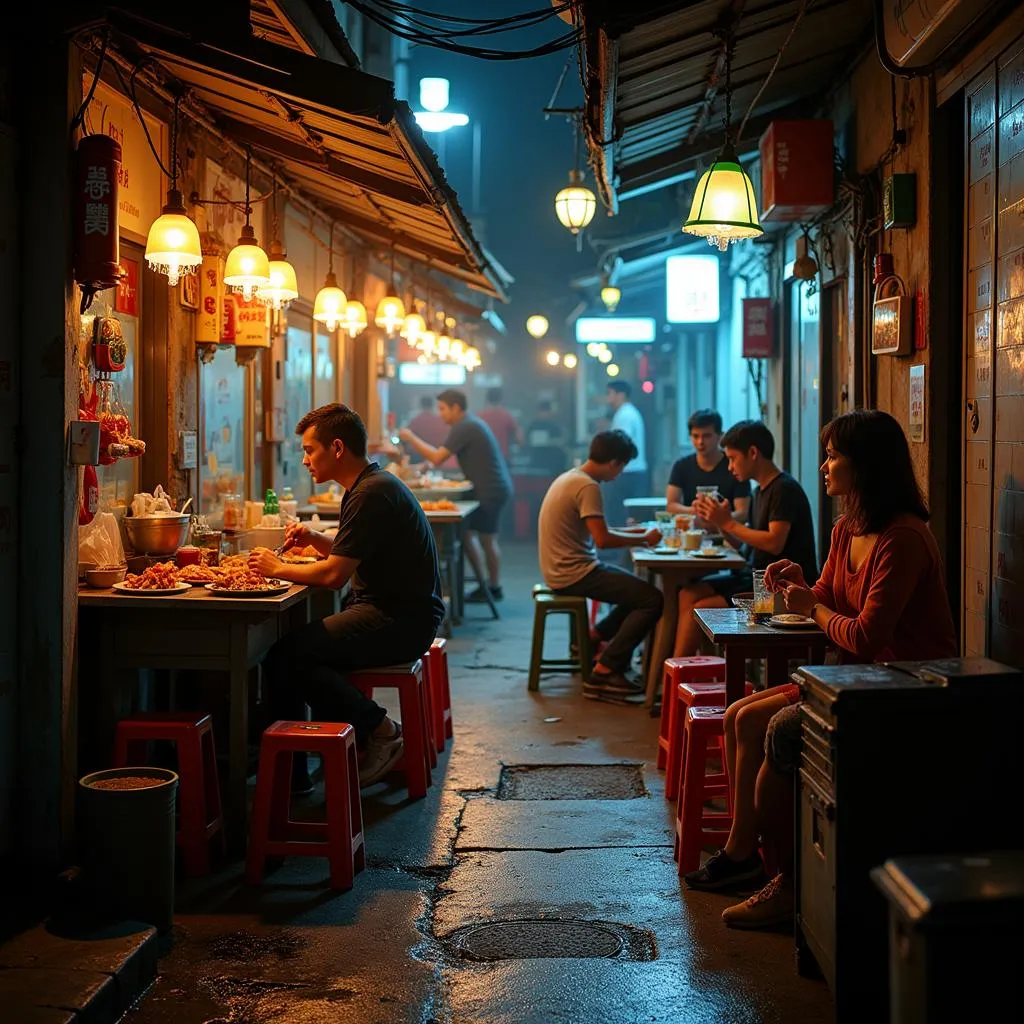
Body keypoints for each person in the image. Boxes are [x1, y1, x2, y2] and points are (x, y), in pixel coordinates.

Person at [686, 410, 957, 931]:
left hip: (903, 687)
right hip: (852, 681)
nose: (825, 465)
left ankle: (788, 881)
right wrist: (795, 581)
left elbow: (865, 636)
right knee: (741, 715)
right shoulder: (846, 528)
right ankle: (744, 856)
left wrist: (810, 606)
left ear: (866, 465)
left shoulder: (901, 537)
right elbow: (829, 596)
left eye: (834, 456)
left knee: (775, 729)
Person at [248, 404, 446, 791]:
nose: (305, 460)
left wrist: (275, 568)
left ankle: (380, 732)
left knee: (286, 656)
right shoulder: (369, 485)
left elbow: (335, 575)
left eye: (310, 450)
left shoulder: (370, 493)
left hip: (400, 621)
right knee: (298, 652)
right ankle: (312, 762)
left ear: (337, 448)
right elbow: (352, 552)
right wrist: (316, 539)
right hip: (397, 612)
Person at [538, 429, 664, 703]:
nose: (618, 475)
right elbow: (603, 539)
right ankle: (607, 669)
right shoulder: (588, 487)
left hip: (561, 568)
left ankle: (593, 638)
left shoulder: (571, 477)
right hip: (573, 572)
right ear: (614, 463)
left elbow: (600, 530)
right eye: (622, 467)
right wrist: (644, 537)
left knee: (637, 593)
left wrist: (638, 533)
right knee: (651, 599)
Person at [673, 420, 817, 657]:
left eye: (732, 458)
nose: (729, 467)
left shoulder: (783, 489)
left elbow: (774, 542)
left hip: (779, 589)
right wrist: (719, 521)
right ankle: (683, 672)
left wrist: (727, 522)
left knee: (698, 609)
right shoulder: (758, 491)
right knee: (687, 593)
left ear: (752, 453)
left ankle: (690, 674)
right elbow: (744, 545)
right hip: (757, 578)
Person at [399, 389, 513, 603]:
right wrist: (427, 464)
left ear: (456, 408)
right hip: (493, 487)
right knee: (472, 536)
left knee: (485, 539)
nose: (440, 414)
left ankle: (491, 588)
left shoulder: (465, 426)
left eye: (442, 409)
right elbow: (439, 457)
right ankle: (486, 586)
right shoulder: (469, 424)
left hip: (491, 489)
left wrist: (410, 437)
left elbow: (438, 456)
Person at [666, 409, 750, 522]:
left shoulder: (735, 466)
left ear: (720, 436)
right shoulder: (681, 466)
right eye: (695, 436)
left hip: (728, 535)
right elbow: (671, 505)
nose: (700, 442)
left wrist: (719, 519)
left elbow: (743, 513)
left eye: (707, 436)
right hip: (692, 533)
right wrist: (697, 511)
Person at [604, 381, 648, 521]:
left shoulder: (625, 415)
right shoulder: (627, 413)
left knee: (620, 516)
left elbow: (621, 443)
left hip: (626, 472)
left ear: (620, 394)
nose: (608, 398)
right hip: (631, 471)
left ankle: (620, 542)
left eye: (609, 393)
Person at [406, 395, 457, 470]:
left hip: (421, 460)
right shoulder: (442, 421)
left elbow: (409, 445)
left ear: (420, 405)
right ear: (433, 405)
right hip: (442, 459)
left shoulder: (415, 421)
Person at [477, 386, 523, 462]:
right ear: (501, 399)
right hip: (502, 459)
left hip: (483, 458)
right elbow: (520, 440)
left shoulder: (479, 417)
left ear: (486, 399)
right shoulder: (507, 416)